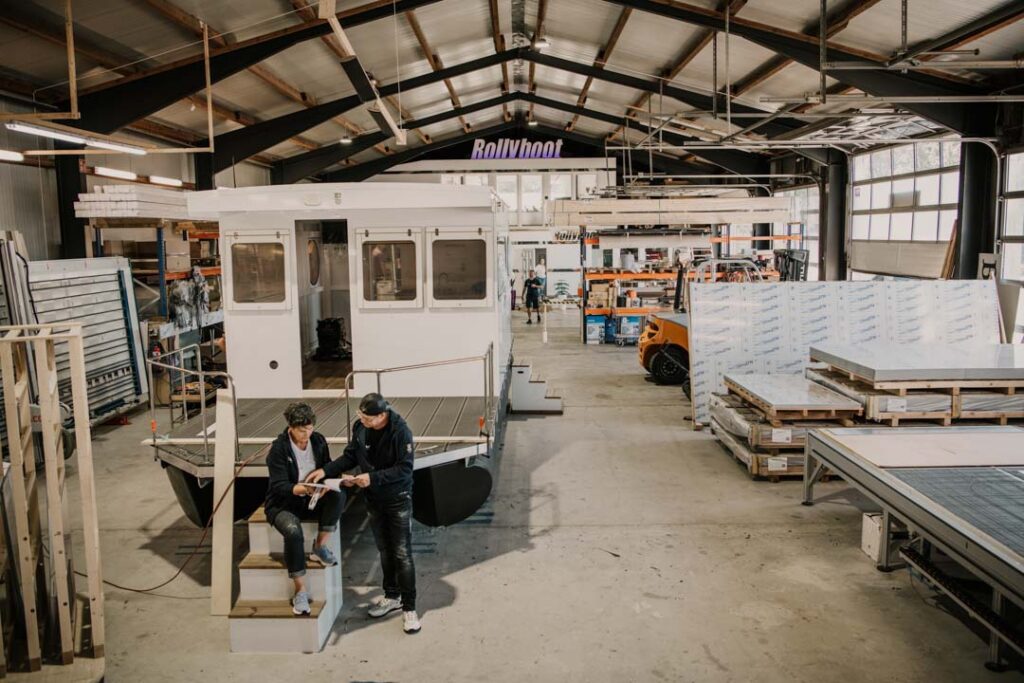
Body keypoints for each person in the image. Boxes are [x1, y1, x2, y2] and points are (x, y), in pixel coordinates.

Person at [305, 392, 421, 634]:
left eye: (368, 419)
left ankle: (409, 608)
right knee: (385, 551)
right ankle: (392, 596)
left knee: (402, 553)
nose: (363, 422)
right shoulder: (360, 427)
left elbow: (405, 469)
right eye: (361, 417)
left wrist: (372, 477)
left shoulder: (401, 432)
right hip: (374, 499)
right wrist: (325, 471)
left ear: (382, 415)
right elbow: (351, 455)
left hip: (397, 499)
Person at [264, 403, 346, 616]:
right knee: (293, 532)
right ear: (290, 427)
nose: (306, 434)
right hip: (284, 504)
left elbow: (326, 466)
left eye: (309, 428)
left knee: (339, 495)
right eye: (302, 430)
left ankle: (320, 546)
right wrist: (304, 488)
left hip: (312, 499)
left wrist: (325, 483)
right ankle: (300, 589)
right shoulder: (279, 449)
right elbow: (279, 486)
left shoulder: (318, 440)